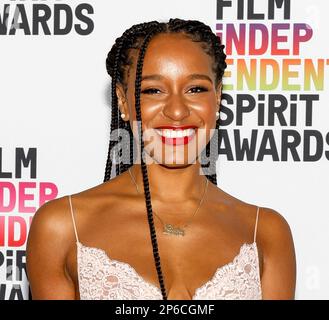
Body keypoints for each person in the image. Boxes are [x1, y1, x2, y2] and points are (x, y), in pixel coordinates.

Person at [26, 18, 296, 300]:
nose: (177, 111)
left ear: (217, 98)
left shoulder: (265, 231)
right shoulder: (62, 226)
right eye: (153, 90)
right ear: (122, 101)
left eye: (196, 89)